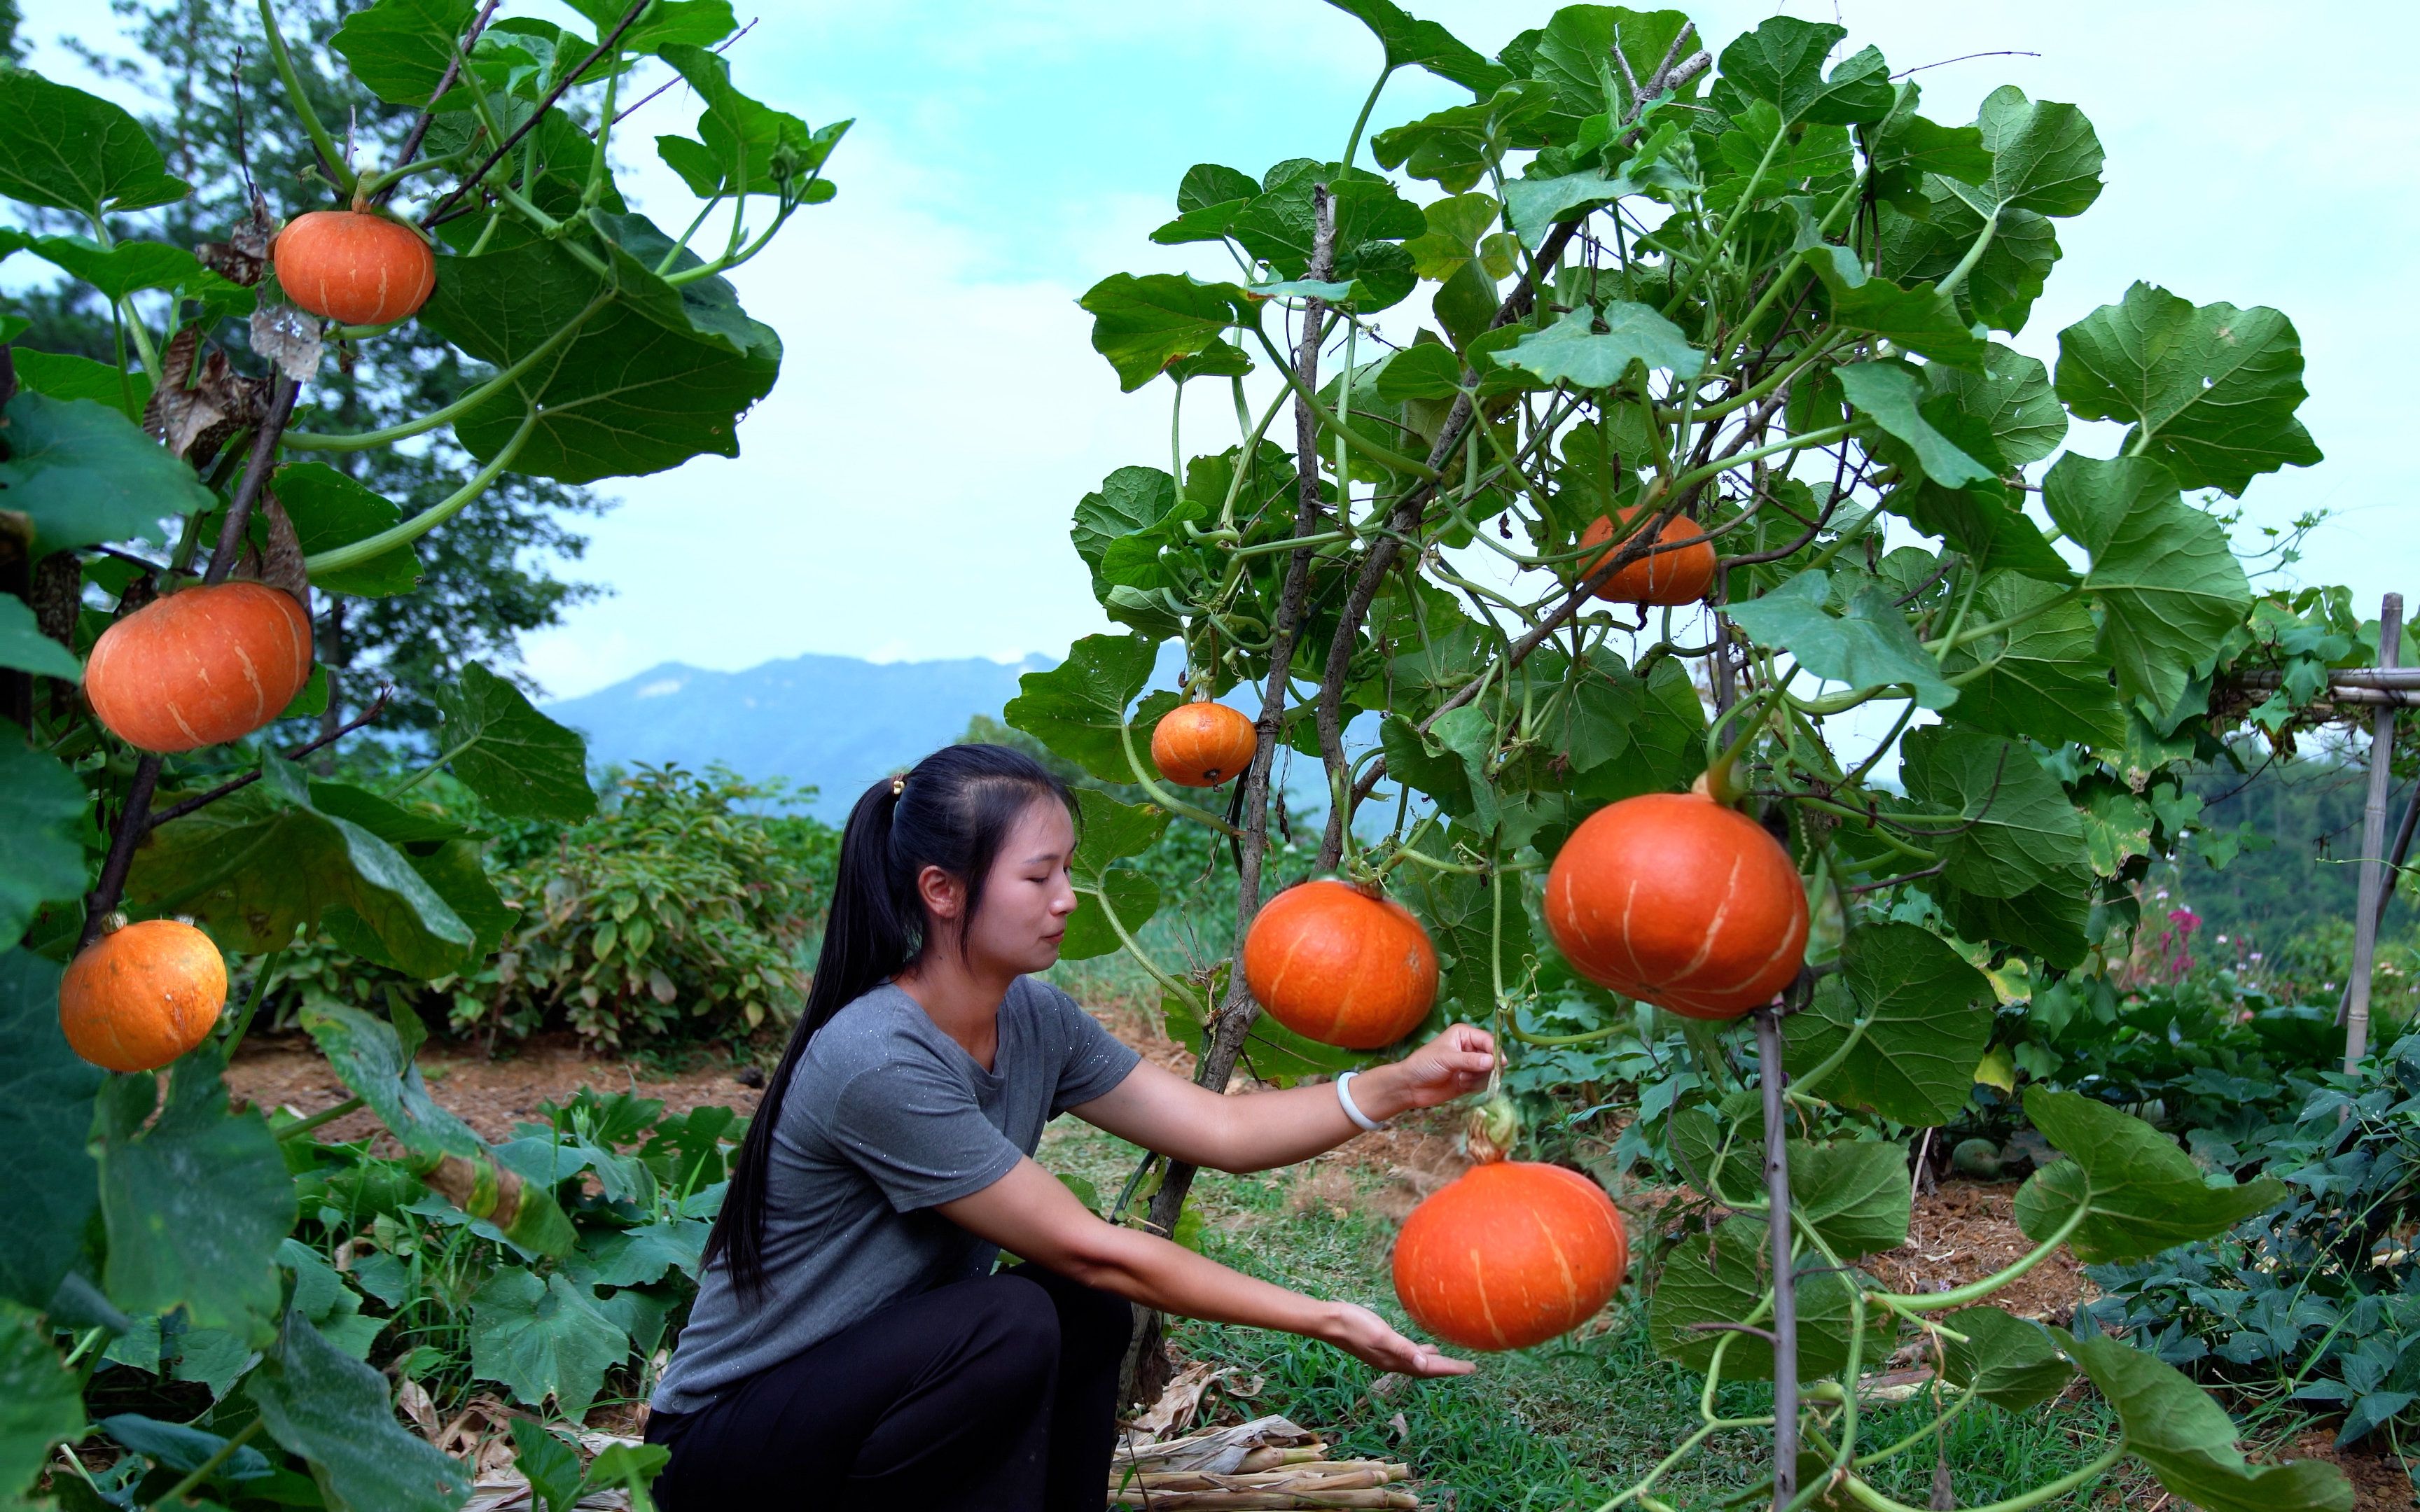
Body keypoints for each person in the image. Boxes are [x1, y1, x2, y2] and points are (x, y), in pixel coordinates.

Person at [644, 743, 1497, 1511]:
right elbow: (1091, 1244)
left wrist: (1398, 1085)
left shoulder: (1035, 1019)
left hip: (870, 1397)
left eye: (1067, 872)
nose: (1066, 898)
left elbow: (1223, 1131)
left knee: (1083, 1308)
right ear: (942, 891)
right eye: (1039, 876)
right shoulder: (878, 1058)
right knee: (1018, 1314)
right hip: (725, 1453)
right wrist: (1324, 1317)